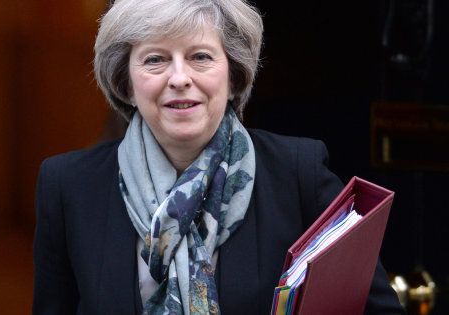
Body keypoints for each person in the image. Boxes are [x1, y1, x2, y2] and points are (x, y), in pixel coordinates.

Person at [32, 0, 404, 314]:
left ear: (234, 76)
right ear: (126, 83)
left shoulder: (297, 173)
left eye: (200, 57)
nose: (179, 77)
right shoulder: (69, 185)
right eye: (155, 59)